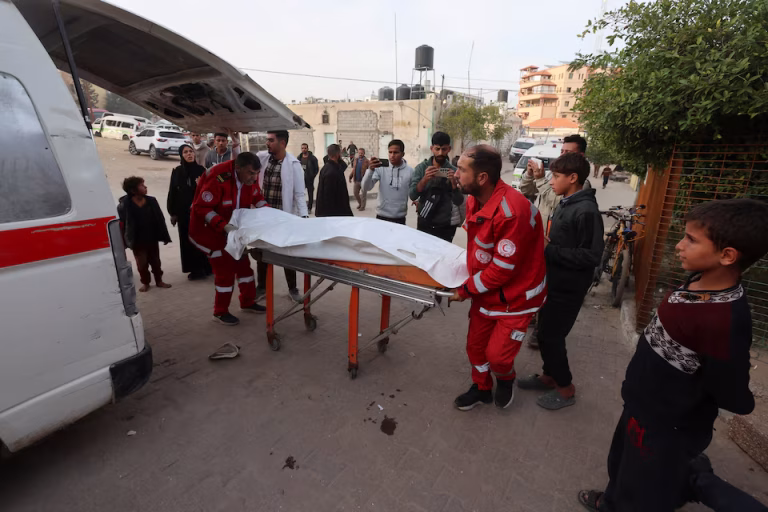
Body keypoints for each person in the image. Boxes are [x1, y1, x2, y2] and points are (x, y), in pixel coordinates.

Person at [578, 198, 768, 512]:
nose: (679, 245)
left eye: (691, 240)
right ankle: (612, 500)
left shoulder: (725, 319)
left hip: (667, 426)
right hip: (642, 404)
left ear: (727, 255)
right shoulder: (698, 281)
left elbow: (731, 391)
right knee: (623, 462)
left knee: (644, 489)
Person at [448, 145, 547, 410]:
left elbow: (501, 270)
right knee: (475, 349)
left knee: (498, 357)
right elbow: (481, 250)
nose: (455, 173)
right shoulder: (474, 199)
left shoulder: (511, 211)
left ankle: (505, 377)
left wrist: (465, 290)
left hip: (516, 299)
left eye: (461, 169)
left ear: (482, 178)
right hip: (487, 294)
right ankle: (481, 388)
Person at [517, 152, 603, 410]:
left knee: (552, 337)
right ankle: (549, 376)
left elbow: (592, 256)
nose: (551, 181)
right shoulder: (567, 202)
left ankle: (565, 388)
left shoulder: (586, 210)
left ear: (573, 178)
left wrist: (548, 249)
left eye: (556, 176)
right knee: (544, 333)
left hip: (569, 287)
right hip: (553, 281)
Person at [519, 133, 591, 349]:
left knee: (549, 287)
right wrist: (531, 175)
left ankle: (543, 332)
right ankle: (533, 317)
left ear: (581, 156)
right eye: (561, 152)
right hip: (540, 239)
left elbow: (555, 200)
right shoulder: (554, 175)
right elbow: (525, 191)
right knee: (534, 280)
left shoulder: (581, 186)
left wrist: (541, 179)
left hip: (556, 245)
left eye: (569, 153)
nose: (563, 156)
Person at [189, 152, 268, 326]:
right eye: (250, 174)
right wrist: (223, 226)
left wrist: (271, 215)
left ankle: (247, 302)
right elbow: (201, 208)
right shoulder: (218, 178)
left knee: (245, 269)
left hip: (233, 233)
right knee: (225, 272)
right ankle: (220, 312)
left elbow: (258, 199)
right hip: (210, 233)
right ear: (237, 168)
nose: (254, 178)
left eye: (256, 174)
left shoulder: (249, 179)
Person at [255, 130, 308, 303]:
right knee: (262, 253)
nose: (267, 143)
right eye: (267, 140)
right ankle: (261, 287)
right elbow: (243, 161)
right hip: (264, 217)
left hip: (283, 218)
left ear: (282, 143)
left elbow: (300, 194)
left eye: (271, 140)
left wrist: (304, 219)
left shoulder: (294, 164)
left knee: (287, 255)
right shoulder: (262, 158)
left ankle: (293, 289)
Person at [117, 176, 172, 293]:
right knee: (142, 264)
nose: (145, 187)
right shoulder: (125, 205)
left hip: (152, 238)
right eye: (142, 185)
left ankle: (159, 281)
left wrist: (164, 236)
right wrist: (124, 242)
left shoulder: (152, 201)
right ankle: (146, 282)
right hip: (137, 241)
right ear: (133, 190)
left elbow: (160, 219)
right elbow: (123, 225)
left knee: (156, 261)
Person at [409, 131, 464, 242]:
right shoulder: (421, 168)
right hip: (424, 221)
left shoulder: (454, 171)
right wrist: (425, 179)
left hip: (446, 225)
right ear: (431, 148)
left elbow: (459, 201)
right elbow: (413, 195)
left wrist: (453, 183)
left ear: (449, 149)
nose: (440, 153)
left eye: (444, 149)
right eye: (437, 149)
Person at [167, 144, 212, 280]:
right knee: (187, 241)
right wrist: (173, 213)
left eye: (191, 151)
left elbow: (209, 192)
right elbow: (172, 192)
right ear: (182, 155)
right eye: (185, 152)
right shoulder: (177, 171)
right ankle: (194, 269)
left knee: (201, 239)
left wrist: (201, 186)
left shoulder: (201, 170)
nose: (189, 154)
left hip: (199, 212)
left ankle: (206, 268)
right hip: (183, 213)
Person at [363, 140, 414, 224]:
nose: (392, 155)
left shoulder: (410, 171)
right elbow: (366, 188)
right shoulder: (381, 168)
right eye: (390, 152)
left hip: (400, 218)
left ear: (402, 154)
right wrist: (370, 170)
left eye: (396, 152)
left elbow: (414, 191)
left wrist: (417, 200)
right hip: (381, 216)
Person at [315, 144, 353, 217]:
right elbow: (328, 197)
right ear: (338, 154)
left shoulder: (328, 167)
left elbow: (343, 166)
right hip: (334, 214)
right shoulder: (332, 172)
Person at [299, 143, 320, 212]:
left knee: (310, 194)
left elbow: (316, 168)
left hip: (310, 179)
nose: (304, 149)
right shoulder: (299, 158)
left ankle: (309, 208)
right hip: (301, 179)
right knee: (300, 194)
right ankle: (301, 207)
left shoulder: (312, 158)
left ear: (307, 149)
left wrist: (312, 176)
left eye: (305, 148)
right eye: (302, 148)